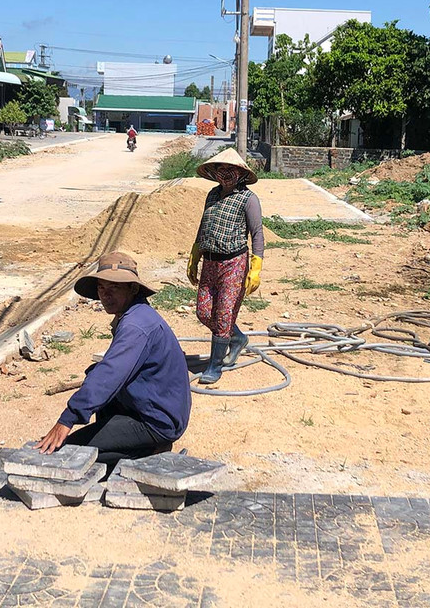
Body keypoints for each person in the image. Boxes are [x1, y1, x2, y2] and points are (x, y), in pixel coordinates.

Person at [36, 252, 192, 466]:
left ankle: (150, 453)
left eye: (115, 288)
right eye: (102, 288)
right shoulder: (134, 314)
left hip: (157, 421)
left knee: (72, 454)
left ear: (133, 289)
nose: (105, 296)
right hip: (152, 409)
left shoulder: (137, 325)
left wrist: (67, 419)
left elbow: (110, 373)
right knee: (93, 372)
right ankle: (137, 445)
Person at [186, 148, 264, 385]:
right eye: (221, 170)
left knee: (223, 315)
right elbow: (203, 225)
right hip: (210, 262)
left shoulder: (248, 199)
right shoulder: (212, 195)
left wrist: (256, 265)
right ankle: (237, 338)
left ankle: (215, 365)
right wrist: (195, 254)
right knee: (203, 311)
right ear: (215, 173)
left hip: (234, 263)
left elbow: (257, 233)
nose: (226, 174)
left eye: (231, 170)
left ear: (241, 173)